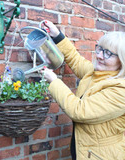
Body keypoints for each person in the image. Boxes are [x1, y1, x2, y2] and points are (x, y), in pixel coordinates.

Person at [42, 20, 125, 160]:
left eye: (108, 53)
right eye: (99, 48)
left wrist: (54, 81)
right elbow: (76, 60)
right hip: (82, 150)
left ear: (122, 61)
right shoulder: (97, 73)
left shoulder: (120, 91)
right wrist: (57, 36)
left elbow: (79, 111)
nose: (99, 55)